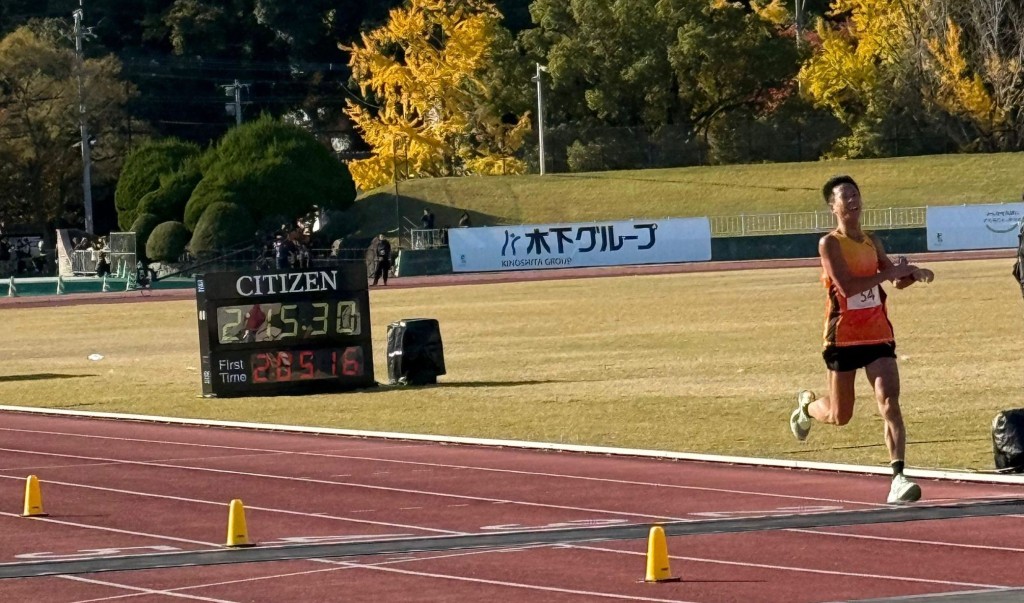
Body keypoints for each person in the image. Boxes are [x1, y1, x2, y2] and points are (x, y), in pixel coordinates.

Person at [790, 175, 935, 505]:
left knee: (890, 402)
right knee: (840, 416)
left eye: (856, 194)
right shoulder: (829, 244)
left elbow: (893, 282)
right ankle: (807, 408)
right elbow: (848, 287)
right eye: (846, 197)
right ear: (834, 207)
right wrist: (890, 273)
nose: (853, 201)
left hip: (878, 334)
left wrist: (913, 274)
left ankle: (898, 477)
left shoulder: (872, 240)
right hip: (843, 337)